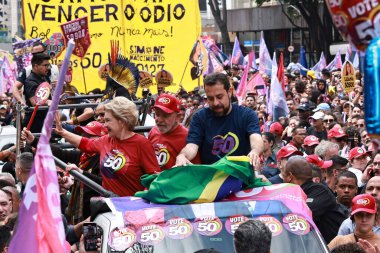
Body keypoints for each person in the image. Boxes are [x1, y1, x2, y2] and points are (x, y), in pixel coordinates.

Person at [54, 96, 160, 196]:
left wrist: (139, 201)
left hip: (130, 209)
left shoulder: (142, 144)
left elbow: (154, 179)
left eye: (108, 120)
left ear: (122, 121)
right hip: (107, 206)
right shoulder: (106, 140)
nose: (104, 125)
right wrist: (62, 132)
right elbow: (85, 144)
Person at [175, 72, 263, 167]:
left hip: (241, 176)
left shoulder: (247, 115)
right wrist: (183, 156)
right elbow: (192, 146)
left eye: (219, 97)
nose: (216, 103)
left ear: (229, 92)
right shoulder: (199, 117)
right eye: (210, 99)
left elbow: (256, 138)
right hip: (211, 178)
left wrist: (255, 151)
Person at [283, 156, 346, 243]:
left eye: (284, 175)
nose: (283, 180)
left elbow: (301, 217)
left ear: (290, 176)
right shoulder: (298, 192)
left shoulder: (320, 192)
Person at [148, 94, 199, 170]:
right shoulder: (153, 131)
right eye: (157, 114)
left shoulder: (188, 137)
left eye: (165, 116)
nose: (160, 120)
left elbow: (195, 170)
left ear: (177, 117)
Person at [22, 53, 52, 133]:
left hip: (45, 120)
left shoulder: (45, 78)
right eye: (45, 65)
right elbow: (35, 102)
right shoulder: (30, 81)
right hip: (34, 124)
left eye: (48, 65)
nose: (48, 68)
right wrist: (48, 101)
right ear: (35, 66)